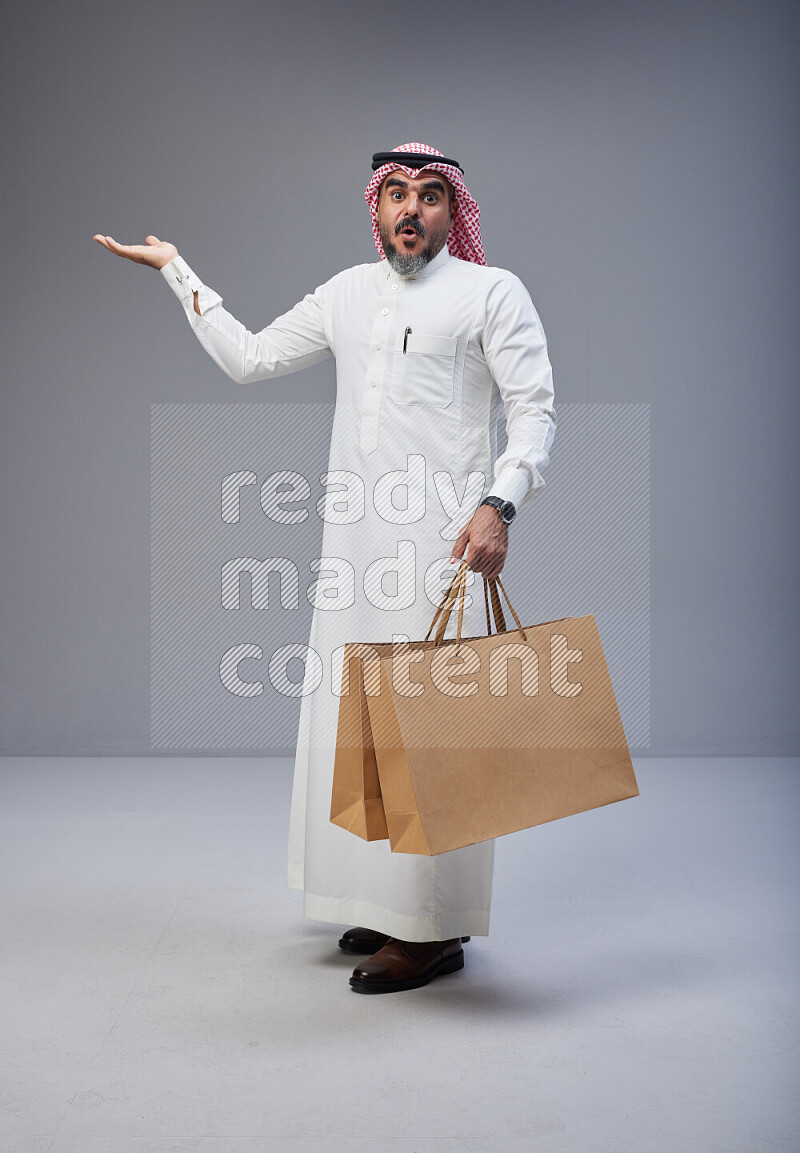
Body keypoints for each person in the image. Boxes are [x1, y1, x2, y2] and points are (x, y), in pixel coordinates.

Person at [94, 141, 557, 994]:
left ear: (454, 213)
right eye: (395, 195)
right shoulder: (347, 293)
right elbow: (250, 358)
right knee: (361, 734)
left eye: (428, 195)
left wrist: (501, 503)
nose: (410, 209)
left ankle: (433, 932)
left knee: (433, 736)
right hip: (351, 552)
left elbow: (534, 411)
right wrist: (174, 269)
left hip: (441, 550)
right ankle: (393, 907)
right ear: (375, 208)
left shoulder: (493, 293)